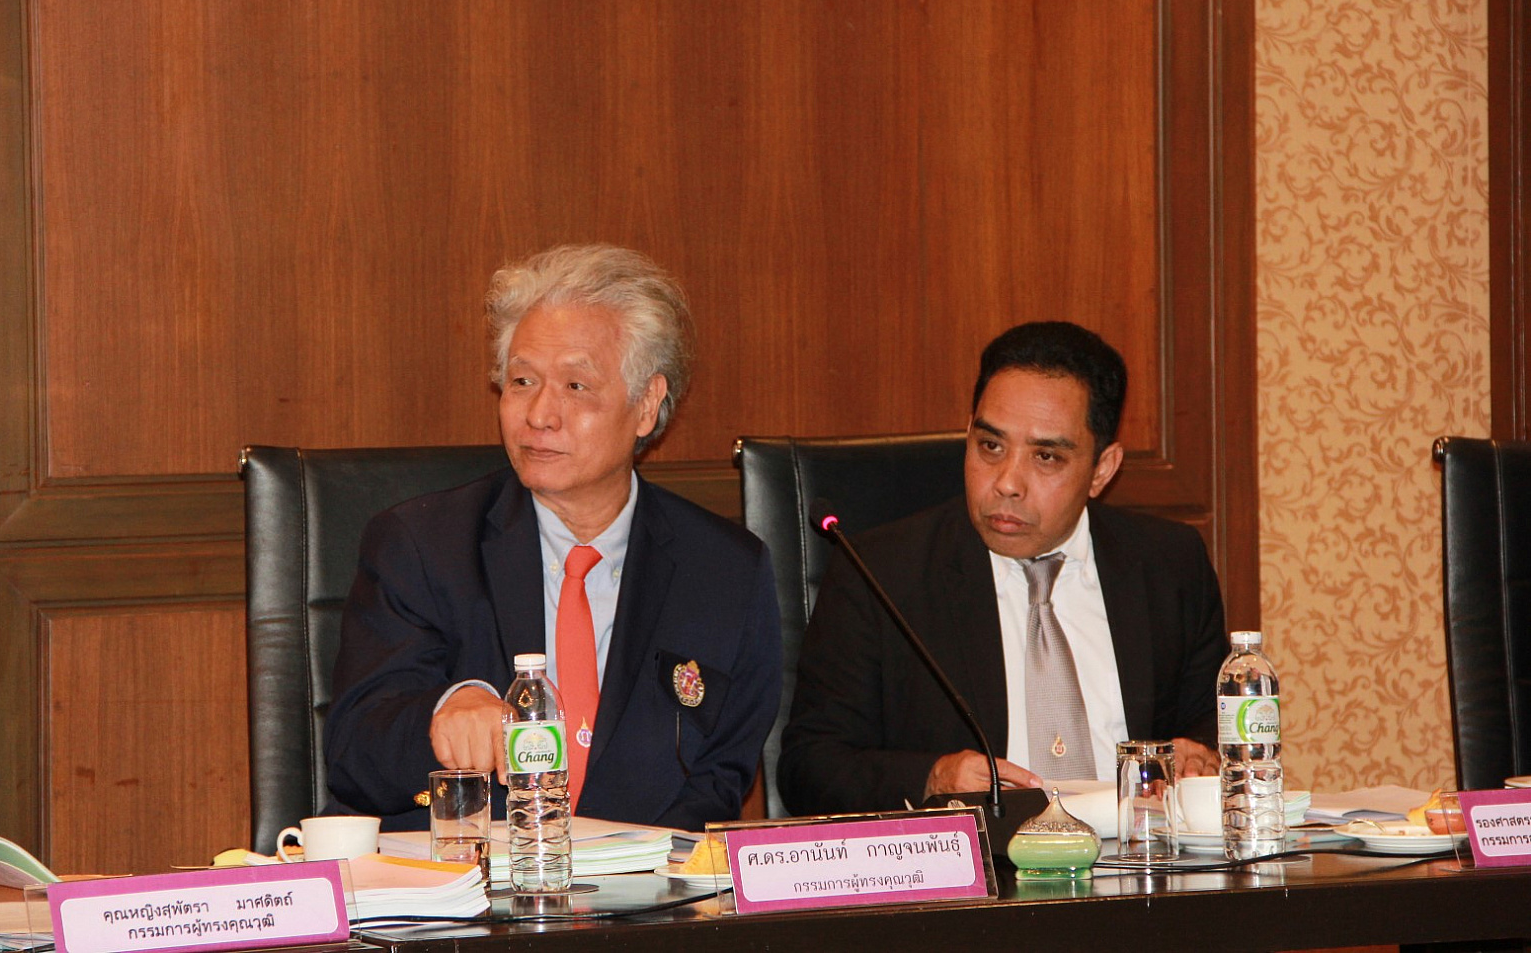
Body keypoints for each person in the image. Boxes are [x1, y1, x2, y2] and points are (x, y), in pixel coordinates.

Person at [326, 245, 781, 831]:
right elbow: (355, 753)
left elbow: (719, 781)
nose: (540, 414)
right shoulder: (422, 546)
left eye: (575, 385)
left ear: (646, 405)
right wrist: (442, 712)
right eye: (522, 381)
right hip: (462, 878)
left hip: (643, 881)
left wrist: (624, 867)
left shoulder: (724, 571)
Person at [777, 321, 1229, 816]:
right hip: (981, 862)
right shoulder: (880, 573)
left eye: (1046, 456)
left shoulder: (1168, 565)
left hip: (1140, 854)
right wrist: (932, 779)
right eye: (991, 446)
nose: (1007, 483)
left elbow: (1215, 726)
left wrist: (1199, 755)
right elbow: (809, 766)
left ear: (1102, 469)